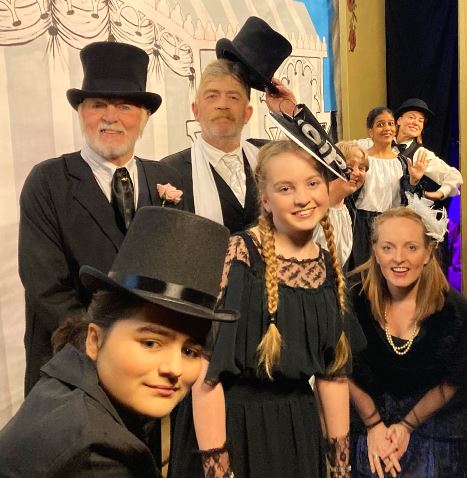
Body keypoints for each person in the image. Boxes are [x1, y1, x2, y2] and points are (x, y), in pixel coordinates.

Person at [169, 136, 362, 478]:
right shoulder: (240, 255)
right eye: (286, 188)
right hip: (231, 429)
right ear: (266, 199)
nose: (302, 198)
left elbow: (333, 376)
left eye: (312, 183)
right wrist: (218, 469)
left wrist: (340, 465)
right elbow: (207, 370)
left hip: (297, 432)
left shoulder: (329, 268)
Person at [0, 207, 236, 477]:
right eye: (150, 343)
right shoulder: (96, 454)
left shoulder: (66, 382)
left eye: (190, 351)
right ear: (94, 340)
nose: (174, 368)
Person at [18, 41, 182, 394]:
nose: (111, 117)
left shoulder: (167, 179)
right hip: (72, 372)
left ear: (145, 116)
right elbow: (48, 289)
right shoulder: (48, 181)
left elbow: (179, 274)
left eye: (124, 106)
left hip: (150, 376)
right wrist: (110, 350)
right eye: (97, 105)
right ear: (81, 112)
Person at [348, 199, 467, 478]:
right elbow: (340, 370)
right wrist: (374, 425)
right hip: (369, 427)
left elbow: (455, 379)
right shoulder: (353, 304)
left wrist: (406, 426)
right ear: (375, 252)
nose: (398, 258)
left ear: (427, 253)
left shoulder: (455, 311)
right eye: (387, 247)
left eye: (411, 247)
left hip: (437, 433)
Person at [161, 16, 293, 233]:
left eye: (233, 97)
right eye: (212, 96)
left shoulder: (268, 156)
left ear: (247, 113)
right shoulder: (170, 171)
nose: (222, 105)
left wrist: (292, 114)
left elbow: (332, 175)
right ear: (196, 110)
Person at [350, 107, 427, 269]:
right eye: (380, 124)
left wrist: (414, 181)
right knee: (364, 272)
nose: (387, 128)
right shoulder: (362, 159)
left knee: (391, 269)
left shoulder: (402, 162)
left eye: (391, 124)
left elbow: (410, 199)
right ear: (370, 131)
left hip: (393, 223)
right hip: (363, 224)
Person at [312, 140, 369, 269]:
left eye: (361, 168)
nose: (357, 173)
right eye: (349, 167)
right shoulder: (311, 208)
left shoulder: (350, 209)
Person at [394, 98, 462, 203]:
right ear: (399, 120)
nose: (416, 123)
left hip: (400, 210)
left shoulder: (421, 153)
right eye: (411, 117)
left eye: (420, 121)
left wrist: (438, 194)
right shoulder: (380, 144)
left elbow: (453, 176)